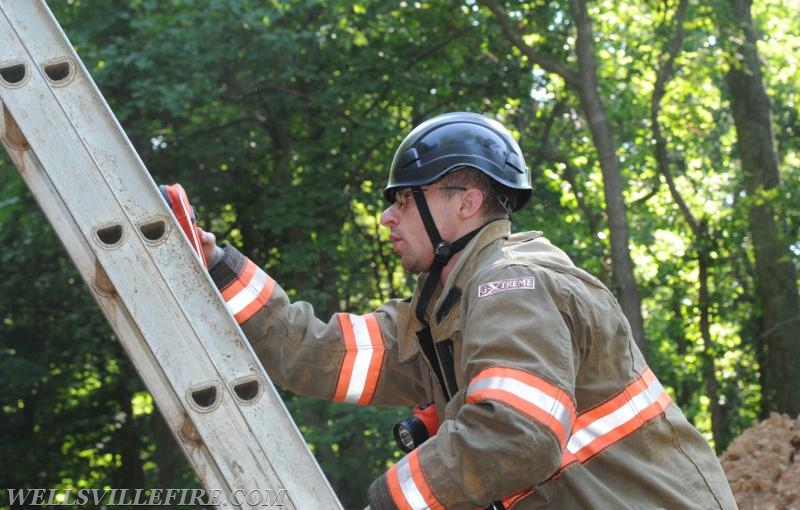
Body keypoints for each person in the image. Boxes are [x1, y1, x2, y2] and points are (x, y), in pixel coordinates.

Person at [196, 112, 737, 509]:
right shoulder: (442, 313)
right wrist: (216, 265)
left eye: (404, 199)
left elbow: (516, 435)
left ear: (465, 202)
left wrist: (388, 501)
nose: (388, 217)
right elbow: (315, 352)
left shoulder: (510, 284)